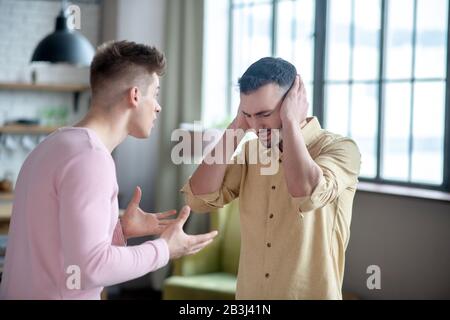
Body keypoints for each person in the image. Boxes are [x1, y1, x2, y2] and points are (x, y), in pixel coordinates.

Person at [0, 40, 217, 300]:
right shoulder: (90, 158)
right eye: (155, 94)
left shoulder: (50, 146)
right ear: (135, 95)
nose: (158, 106)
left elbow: (58, 245)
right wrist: (164, 249)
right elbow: (91, 267)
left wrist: (120, 231)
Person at [182, 57, 361, 299]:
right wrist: (236, 126)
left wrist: (289, 123)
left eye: (264, 113)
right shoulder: (252, 152)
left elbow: (306, 194)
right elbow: (199, 198)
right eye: (249, 114)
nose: (256, 126)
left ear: (294, 102)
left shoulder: (341, 149)